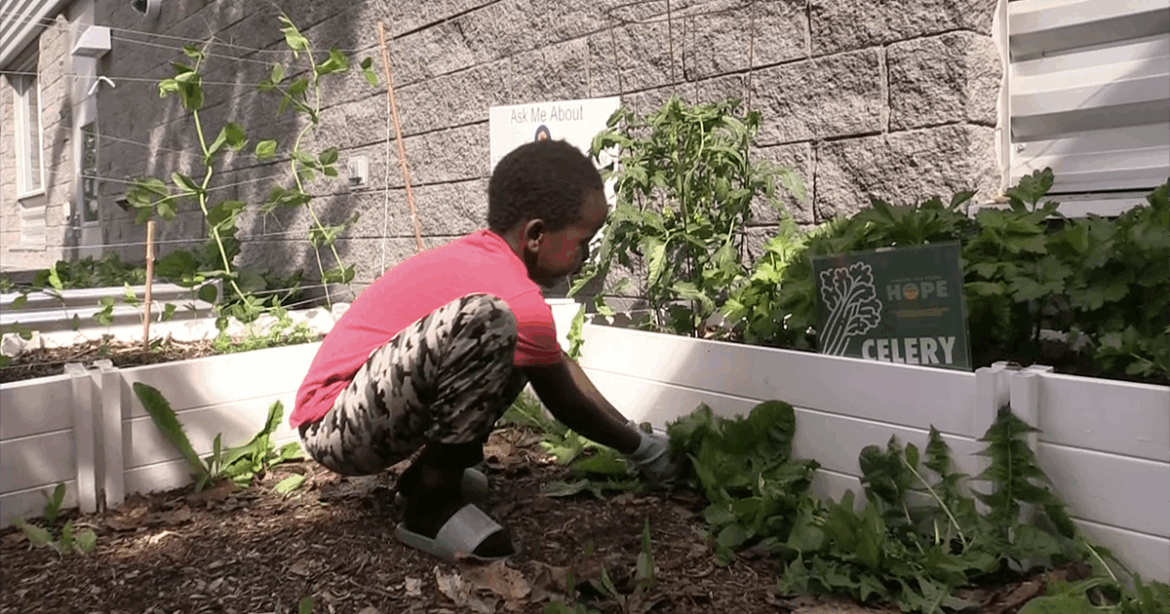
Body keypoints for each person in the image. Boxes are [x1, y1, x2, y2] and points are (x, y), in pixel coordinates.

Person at [288, 139, 682, 563]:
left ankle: (426, 479)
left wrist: (637, 435)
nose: (586, 257)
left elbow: (558, 366)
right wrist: (638, 449)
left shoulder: (497, 266)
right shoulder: (506, 293)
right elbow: (566, 402)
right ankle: (431, 506)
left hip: (365, 409)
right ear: (536, 235)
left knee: (517, 342)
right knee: (490, 321)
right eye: (584, 241)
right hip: (335, 425)